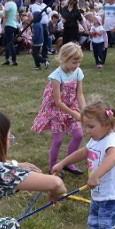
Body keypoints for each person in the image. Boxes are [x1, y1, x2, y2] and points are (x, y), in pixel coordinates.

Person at [53, 102, 115, 229]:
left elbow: (113, 157)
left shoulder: (111, 140)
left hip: (111, 196)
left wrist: (97, 175)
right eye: (86, 126)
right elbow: (84, 152)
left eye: (91, 126)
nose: (88, 131)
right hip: (98, 195)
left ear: (107, 125)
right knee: (93, 225)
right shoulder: (96, 138)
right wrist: (63, 163)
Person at [31, 42, 86, 173]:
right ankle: (53, 167)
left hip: (72, 107)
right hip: (56, 110)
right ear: (63, 58)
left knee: (79, 135)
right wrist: (74, 114)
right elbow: (57, 102)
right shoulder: (56, 76)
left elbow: (80, 94)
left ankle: (69, 163)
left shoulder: (78, 72)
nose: (76, 65)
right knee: (58, 140)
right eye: (74, 62)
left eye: (79, 62)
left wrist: (84, 112)